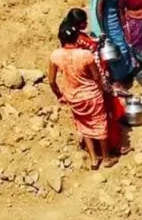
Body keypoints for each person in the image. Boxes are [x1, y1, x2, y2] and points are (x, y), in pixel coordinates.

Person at [49, 22, 119, 169]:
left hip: (73, 97)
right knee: (100, 124)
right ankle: (106, 158)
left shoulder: (55, 55)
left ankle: (94, 159)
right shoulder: (85, 55)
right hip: (91, 95)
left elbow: (51, 81)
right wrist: (104, 90)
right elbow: (96, 77)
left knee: (83, 125)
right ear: (76, 38)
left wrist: (59, 95)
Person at [63, 9, 130, 156]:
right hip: (94, 81)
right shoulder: (78, 42)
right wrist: (103, 84)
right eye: (83, 22)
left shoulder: (73, 37)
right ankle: (114, 145)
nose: (86, 24)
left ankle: (97, 148)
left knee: (91, 118)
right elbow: (90, 61)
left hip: (83, 84)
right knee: (106, 112)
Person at [86, 0, 136, 88]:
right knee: (121, 50)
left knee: (114, 51)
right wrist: (103, 30)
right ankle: (121, 80)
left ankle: (118, 76)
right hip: (110, 25)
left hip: (105, 24)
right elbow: (99, 8)